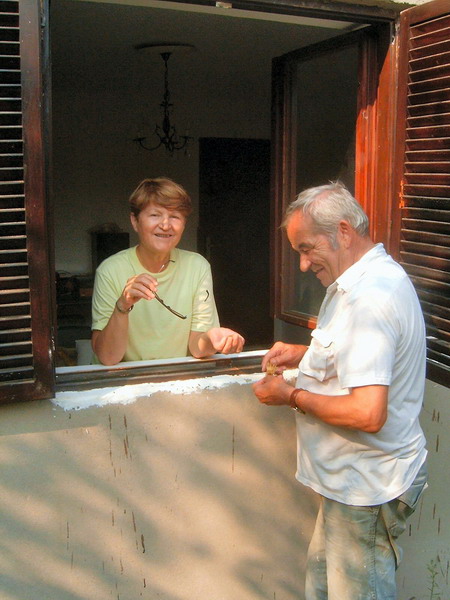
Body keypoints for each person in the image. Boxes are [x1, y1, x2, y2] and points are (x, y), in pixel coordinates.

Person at [252, 182, 428, 600]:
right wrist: (304, 354)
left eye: (307, 248)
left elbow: (368, 412)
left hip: (367, 488)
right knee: (322, 589)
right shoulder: (356, 282)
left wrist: (290, 396)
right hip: (351, 486)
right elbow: (364, 358)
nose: (302, 264)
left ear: (344, 232)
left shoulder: (370, 298)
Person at [91, 177, 245, 365]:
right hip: (124, 377)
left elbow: (197, 347)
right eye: (155, 215)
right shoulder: (110, 270)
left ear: (184, 224)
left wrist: (212, 338)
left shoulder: (197, 266)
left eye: (175, 217)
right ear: (135, 221)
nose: (165, 225)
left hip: (175, 375)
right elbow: (108, 357)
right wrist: (122, 305)